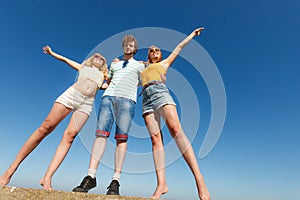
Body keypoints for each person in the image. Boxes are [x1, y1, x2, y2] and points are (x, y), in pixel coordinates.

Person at [0, 45, 108, 190]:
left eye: (102, 59)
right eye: (96, 56)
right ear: (90, 60)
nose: (99, 58)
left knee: (69, 137)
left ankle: (47, 177)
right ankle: (11, 169)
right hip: (71, 96)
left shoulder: (103, 77)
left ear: (104, 65)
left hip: (86, 104)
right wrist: (51, 53)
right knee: (46, 127)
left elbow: (115, 82)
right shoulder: (83, 67)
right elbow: (64, 59)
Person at [140, 27, 210, 200]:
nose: (155, 52)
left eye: (157, 50)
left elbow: (179, 47)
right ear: (148, 55)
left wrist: (192, 35)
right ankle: (161, 185)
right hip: (146, 100)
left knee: (176, 130)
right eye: (151, 51)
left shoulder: (164, 64)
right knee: (156, 140)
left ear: (160, 55)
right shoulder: (141, 69)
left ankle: (199, 180)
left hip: (161, 93)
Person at [72, 35, 144, 195]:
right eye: (125, 44)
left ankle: (115, 180)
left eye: (131, 45)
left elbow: (143, 81)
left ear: (135, 48)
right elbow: (107, 82)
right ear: (123, 47)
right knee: (100, 135)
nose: (128, 46)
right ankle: (91, 176)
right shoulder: (114, 64)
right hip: (108, 99)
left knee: (121, 138)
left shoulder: (140, 66)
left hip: (128, 101)